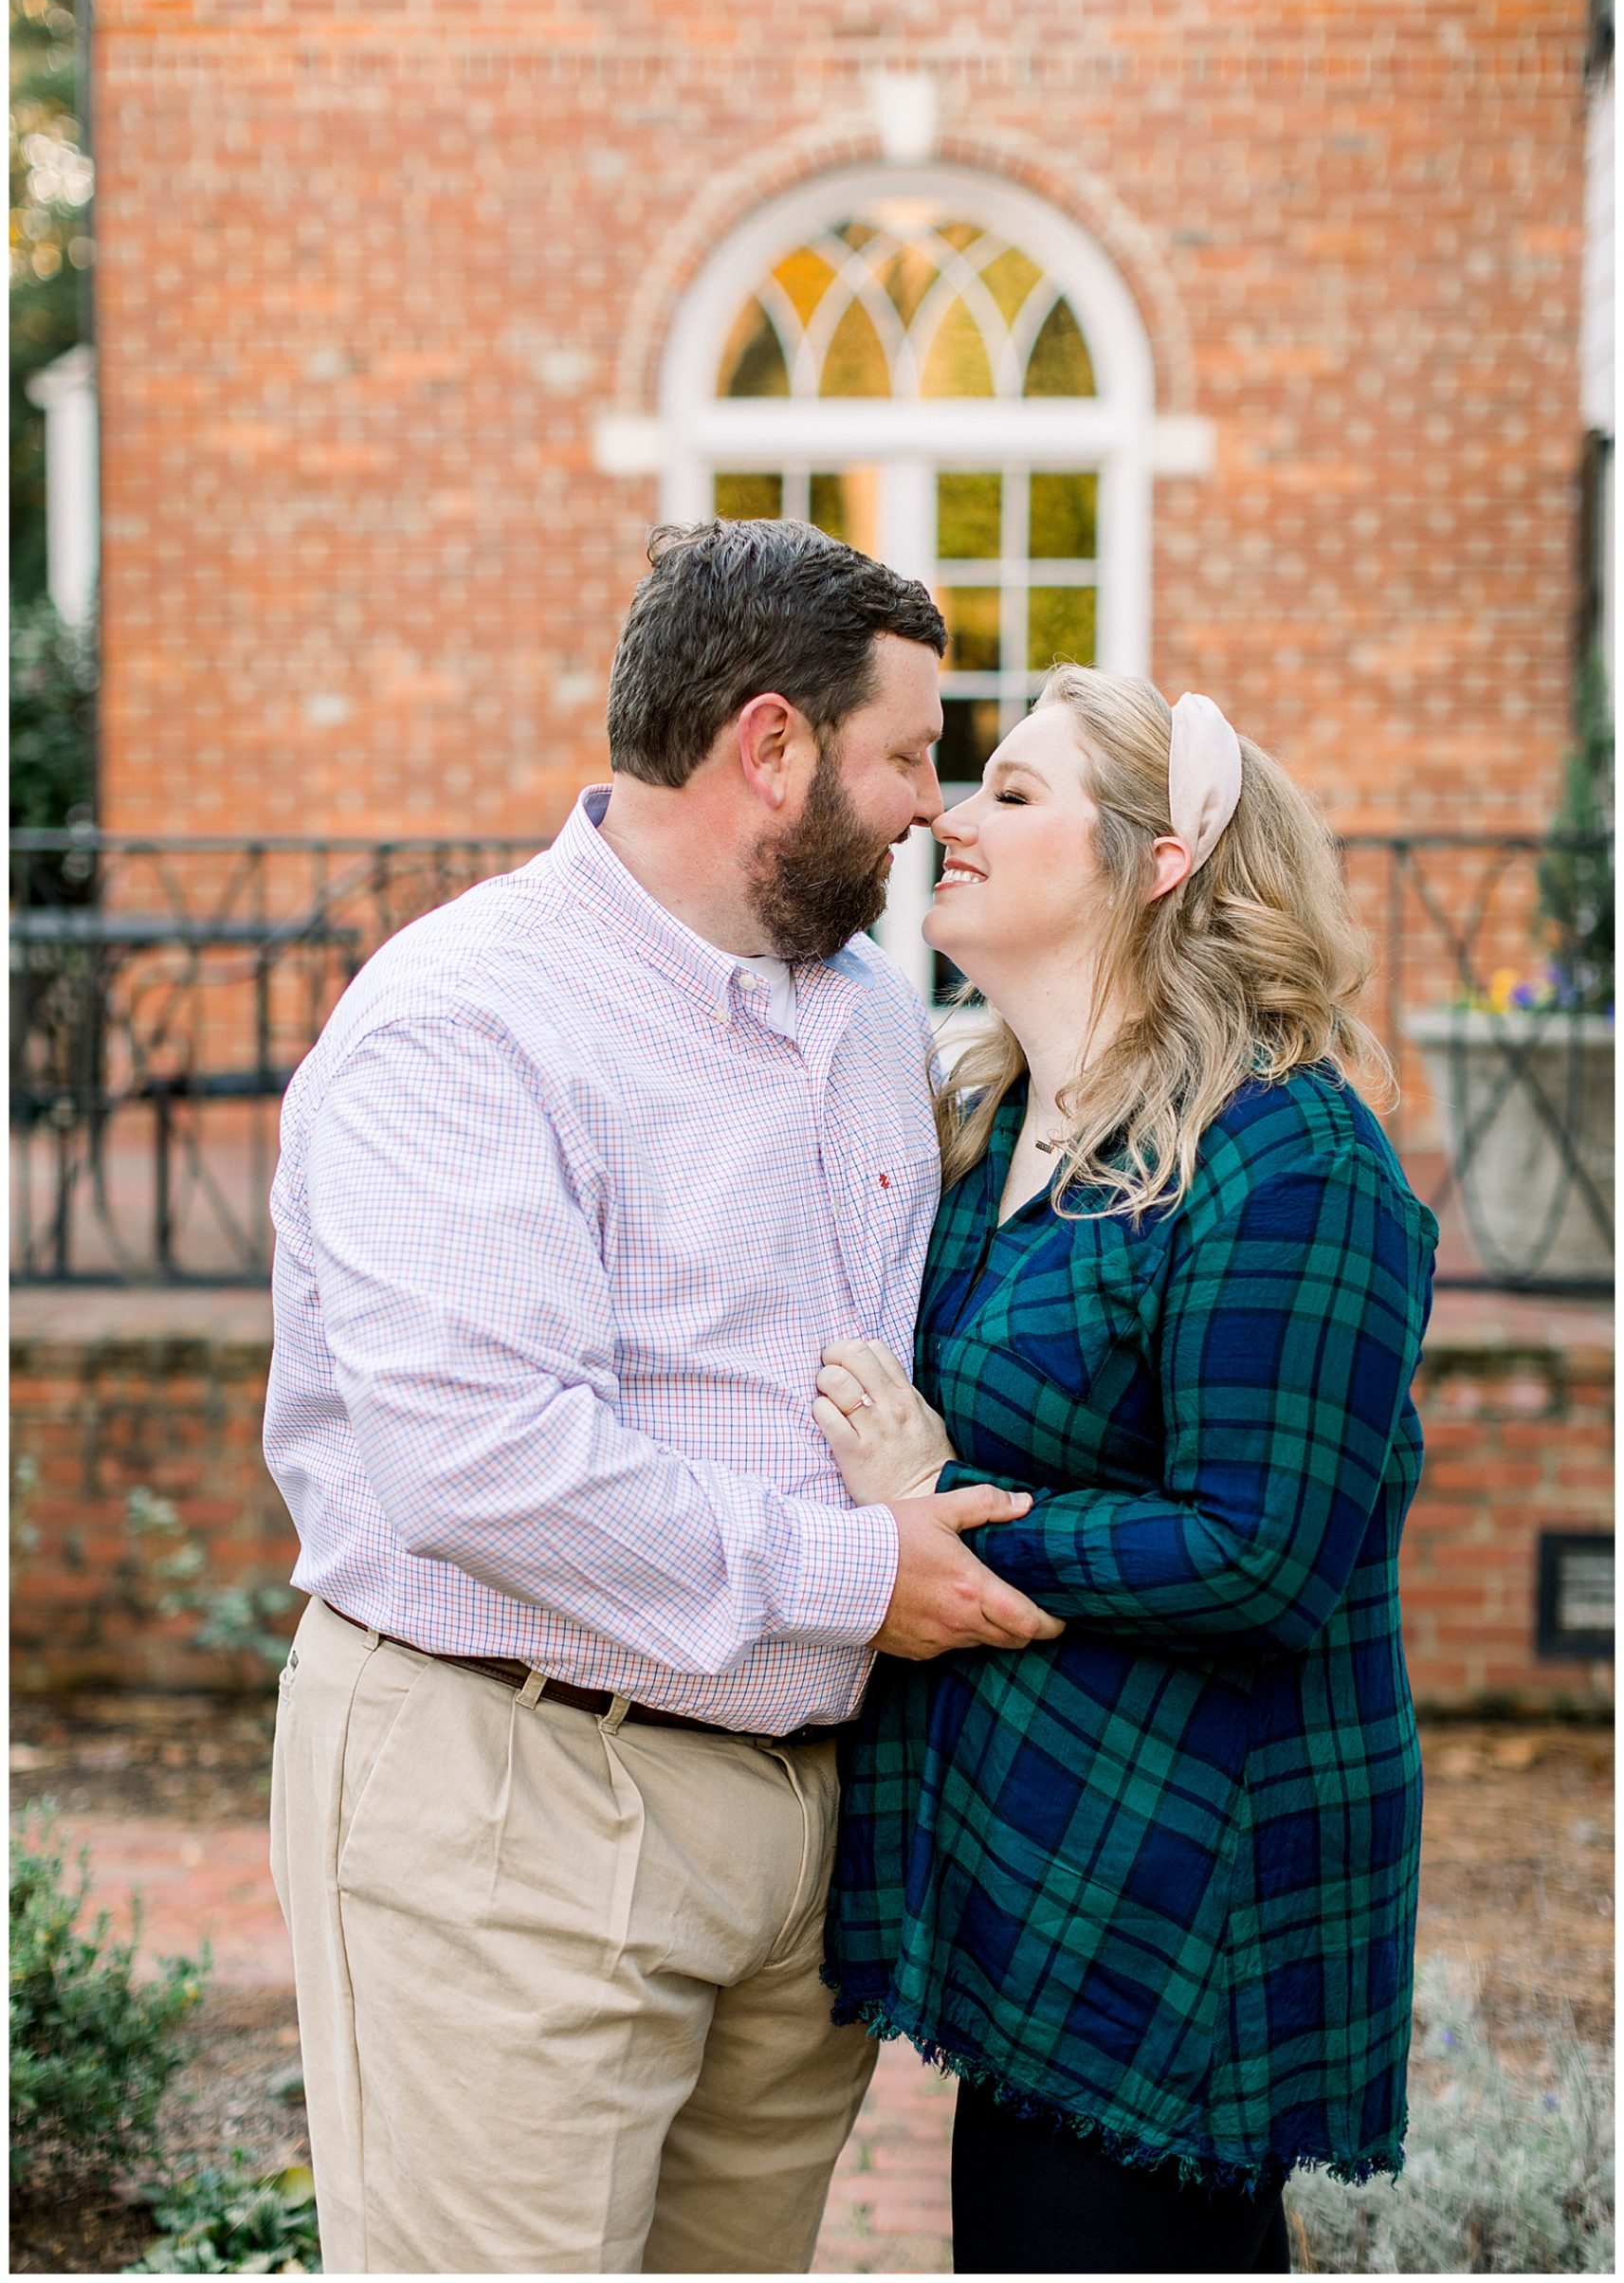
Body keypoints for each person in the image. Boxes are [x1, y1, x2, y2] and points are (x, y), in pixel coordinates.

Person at [263, 519, 1061, 2276]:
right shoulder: (465, 1024)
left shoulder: (859, 1010)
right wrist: (867, 1579)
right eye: (907, 756)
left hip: (801, 1833)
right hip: (517, 1787)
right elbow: (481, 1459)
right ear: (769, 750)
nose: (933, 806)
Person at [814, 669, 1438, 2276]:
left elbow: (1261, 1553)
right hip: (1030, 1881)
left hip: (1179, 1910)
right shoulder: (992, 1120)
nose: (949, 815)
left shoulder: (1288, 1154)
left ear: (1160, 863)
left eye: (1014, 794)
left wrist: (946, 1523)